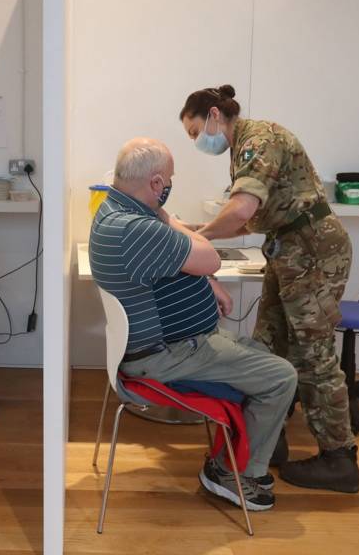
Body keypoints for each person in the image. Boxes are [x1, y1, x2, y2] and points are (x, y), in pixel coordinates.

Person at [89, 137, 297, 511]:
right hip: (166, 357)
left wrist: (205, 281)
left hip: (167, 345)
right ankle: (231, 474)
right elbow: (210, 258)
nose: (170, 186)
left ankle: (239, 456)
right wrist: (168, 219)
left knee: (260, 354)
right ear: (155, 184)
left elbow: (192, 264)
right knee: (282, 376)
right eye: (168, 179)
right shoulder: (138, 228)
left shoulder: (112, 212)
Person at [179, 85, 359, 493]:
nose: (196, 142)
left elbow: (241, 210)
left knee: (312, 355)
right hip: (287, 249)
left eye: (194, 132)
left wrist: (199, 241)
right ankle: (268, 440)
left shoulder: (258, 140)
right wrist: (196, 232)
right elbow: (248, 220)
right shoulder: (242, 146)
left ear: (213, 115)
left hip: (313, 250)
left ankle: (339, 459)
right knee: (268, 346)